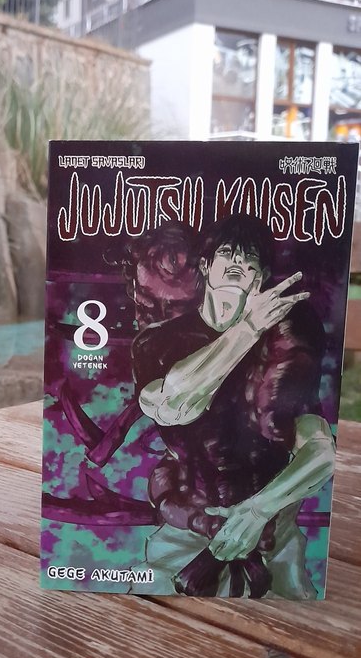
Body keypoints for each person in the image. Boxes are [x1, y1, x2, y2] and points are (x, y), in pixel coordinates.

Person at [130, 213, 335, 598]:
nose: (239, 263)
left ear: (261, 277)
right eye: (228, 253)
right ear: (206, 265)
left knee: (296, 617)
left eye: (251, 258)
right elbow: (174, 406)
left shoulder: (286, 342)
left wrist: (256, 511)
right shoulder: (158, 343)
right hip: (185, 536)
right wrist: (247, 330)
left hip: (273, 538)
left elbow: (321, 450)